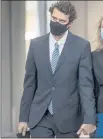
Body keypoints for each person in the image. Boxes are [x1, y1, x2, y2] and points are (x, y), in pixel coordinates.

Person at [17, 1, 96, 138]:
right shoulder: (36, 45)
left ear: (69, 24)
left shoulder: (81, 46)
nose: (56, 22)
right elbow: (29, 84)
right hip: (40, 115)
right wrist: (23, 118)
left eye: (61, 20)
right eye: (54, 18)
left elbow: (85, 85)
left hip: (69, 117)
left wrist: (89, 118)